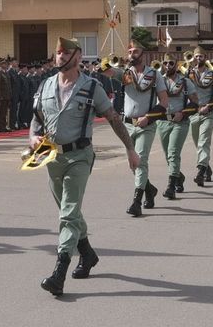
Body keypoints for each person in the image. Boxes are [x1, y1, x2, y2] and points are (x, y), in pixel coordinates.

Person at [30, 37, 140, 298]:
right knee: (70, 210)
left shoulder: (92, 87)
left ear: (77, 56)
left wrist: (130, 148)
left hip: (79, 156)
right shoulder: (46, 84)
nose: (59, 57)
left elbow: (113, 119)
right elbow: (36, 119)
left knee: (68, 213)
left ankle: (59, 272)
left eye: (65, 52)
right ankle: (88, 254)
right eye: (57, 53)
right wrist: (33, 137)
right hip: (51, 157)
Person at [120, 42, 168, 217]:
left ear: (143, 54)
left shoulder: (154, 75)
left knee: (141, 161)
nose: (132, 54)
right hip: (127, 125)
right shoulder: (125, 73)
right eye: (130, 51)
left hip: (146, 125)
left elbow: (164, 102)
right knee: (133, 164)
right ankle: (149, 189)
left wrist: (148, 117)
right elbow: (106, 72)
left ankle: (136, 202)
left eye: (135, 51)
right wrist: (109, 62)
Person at [158, 56, 191, 200]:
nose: (168, 65)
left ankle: (171, 187)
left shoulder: (185, 82)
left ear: (176, 64)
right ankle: (179, 176)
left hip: (180, 122)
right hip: (163, 122)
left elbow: (196, 102)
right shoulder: (159, 81)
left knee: (173, 152)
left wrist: (183, 113)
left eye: (171, 63)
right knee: (168, 155)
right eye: (165, 63)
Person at [186, 54, 213, 188]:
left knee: (203, 141)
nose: (198, 58)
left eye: (200, 56)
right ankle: (207, 167)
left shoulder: (212, 74)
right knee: (198, 143)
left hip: (208, 112)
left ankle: (200, 171)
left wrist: (208, 106)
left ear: (205, 58)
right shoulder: (188, 73)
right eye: (195, 56)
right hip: (194, 113)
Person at [0, 58, 15, 133]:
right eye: (3, 64)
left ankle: (4, 126)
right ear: (0, 65)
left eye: (6, 64)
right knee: (1, 113)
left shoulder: (6, 73)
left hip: (6, 96)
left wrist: (9, 95)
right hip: (1, 97)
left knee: (5, 113)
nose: (5, 65)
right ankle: (1, 128)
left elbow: (9, 86)